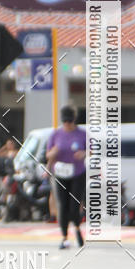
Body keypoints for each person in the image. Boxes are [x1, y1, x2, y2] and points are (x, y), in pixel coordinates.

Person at [46, 105, 86, 249]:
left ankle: (77, 228)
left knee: (74, 205)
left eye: (70, 121)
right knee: (62, 206)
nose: (67, 124)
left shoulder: (82, 134)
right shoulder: (55, 135)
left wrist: (84, 153)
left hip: (77, 173)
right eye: (65, 121)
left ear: (74, 120)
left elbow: (92, 150)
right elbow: (48, 155)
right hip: (60, 174)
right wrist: (53, 153)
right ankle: (64, 237)